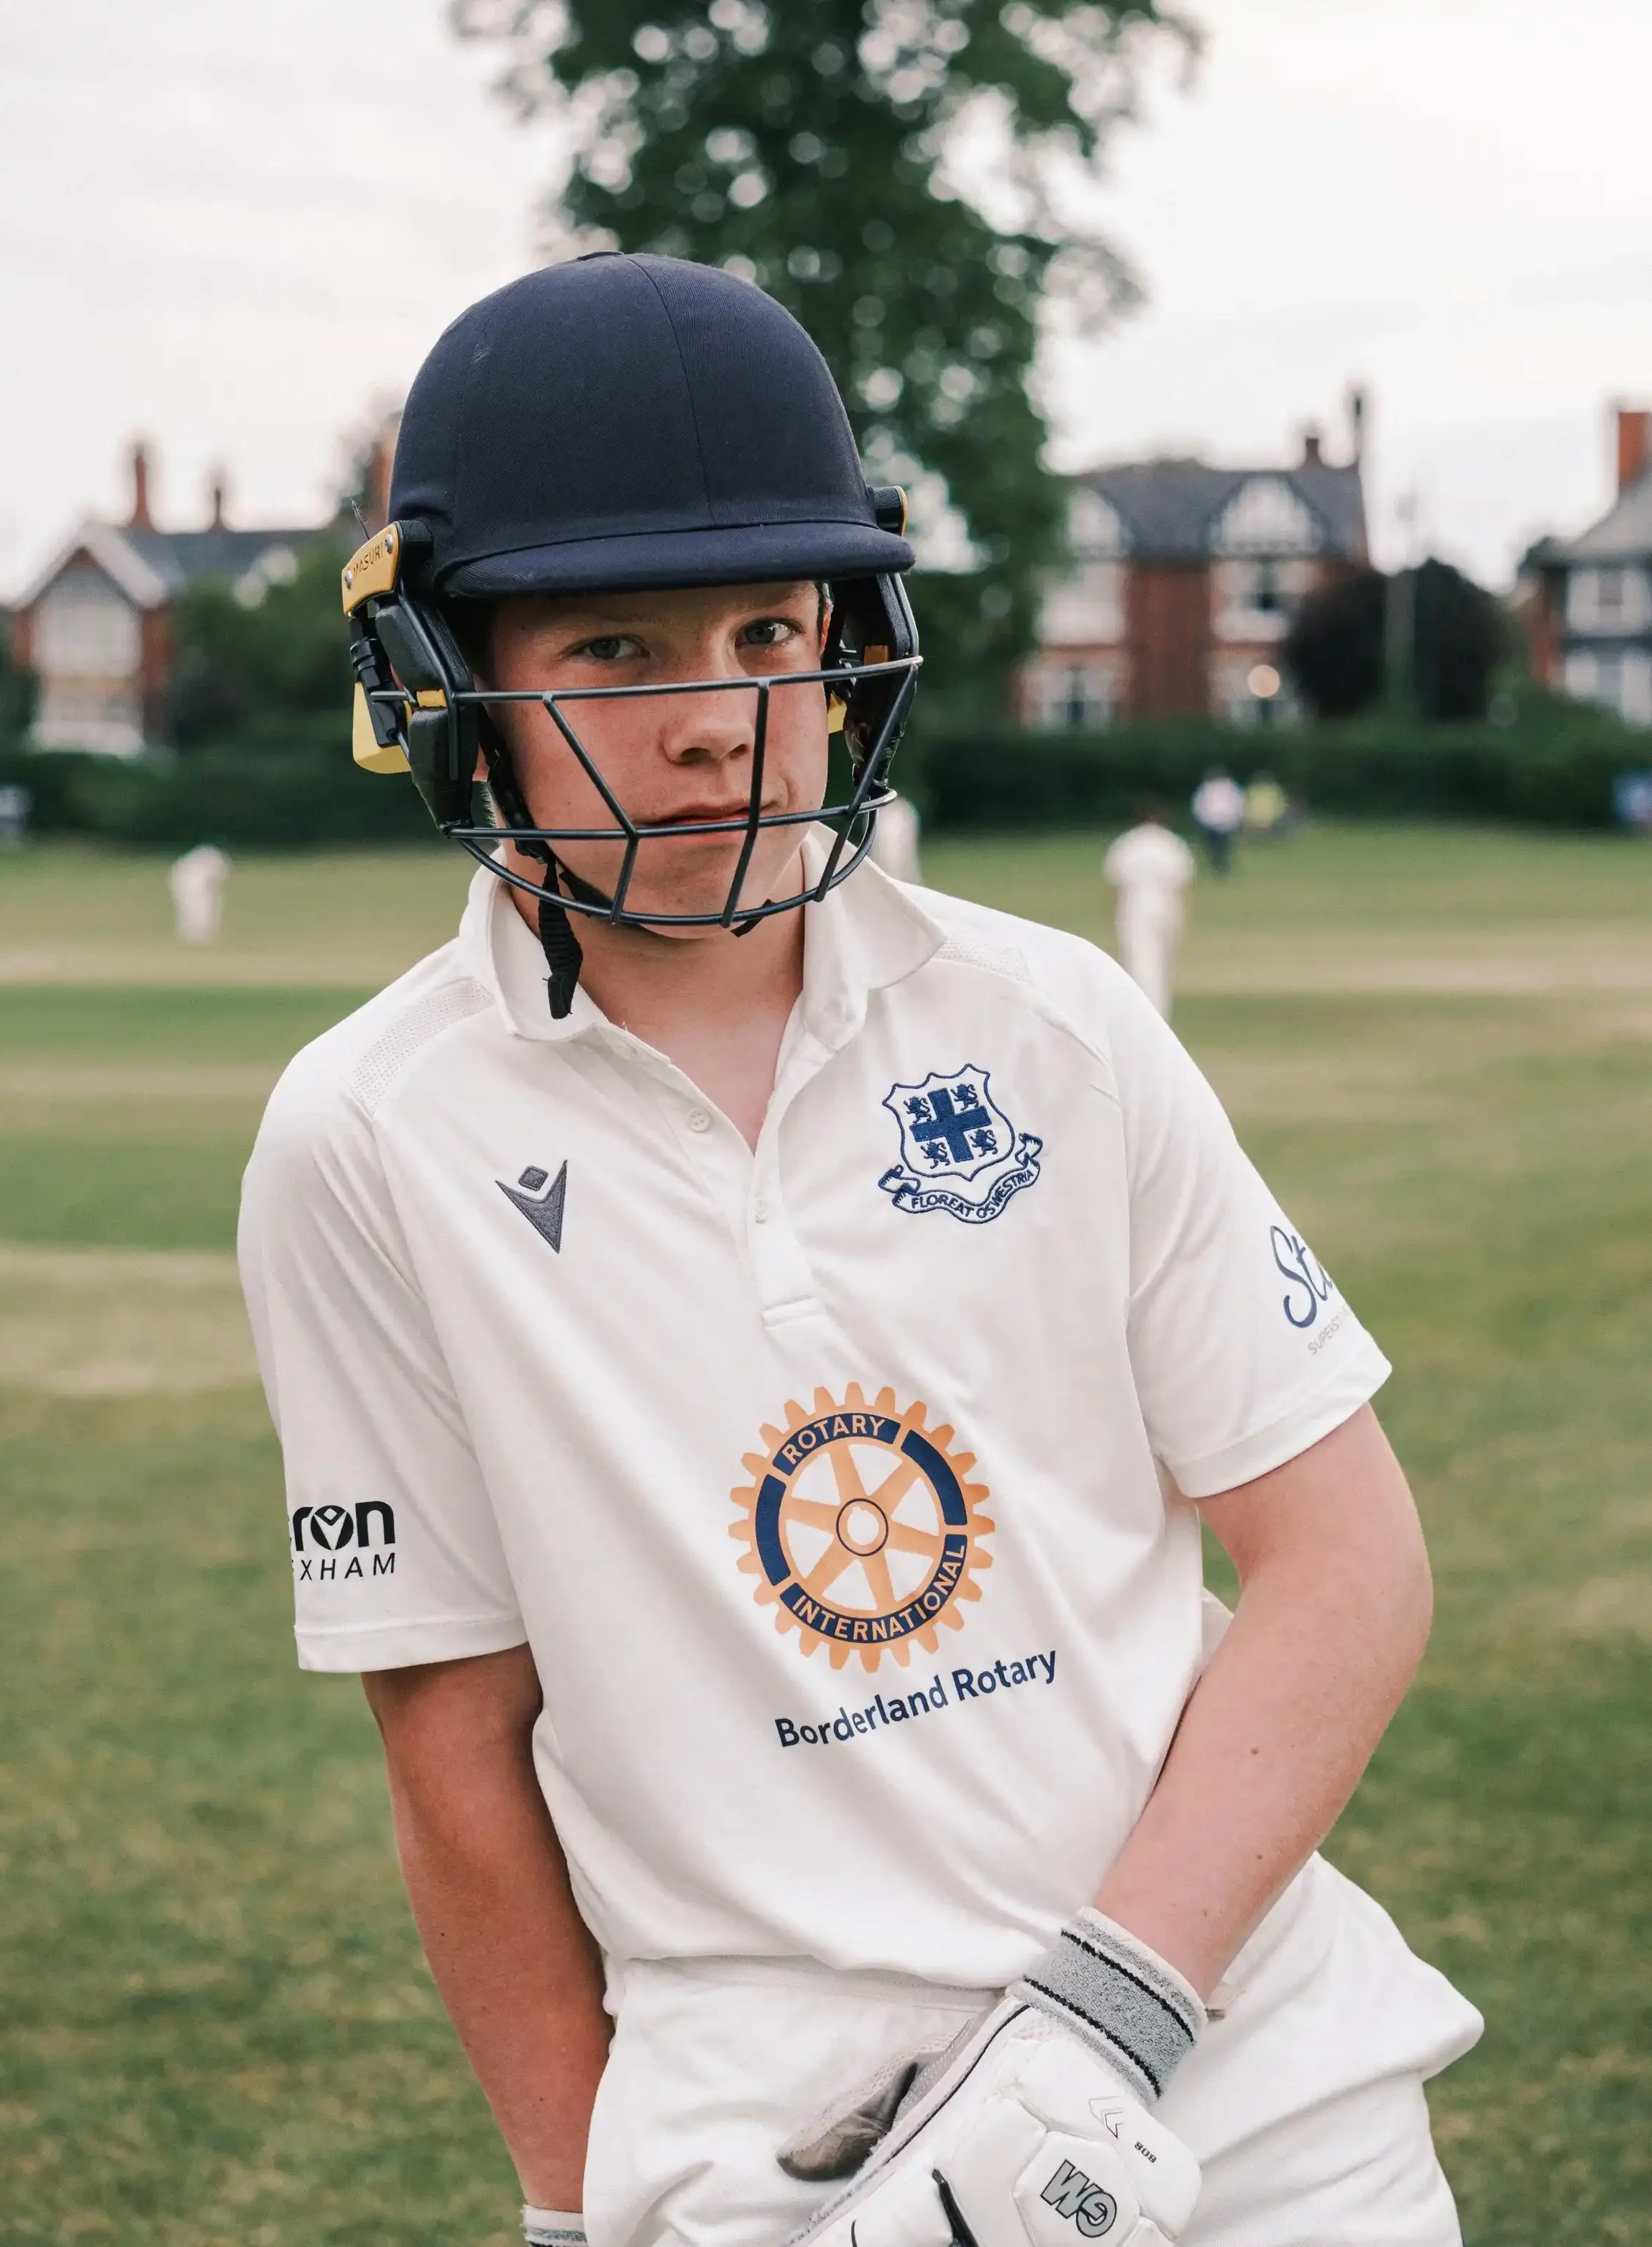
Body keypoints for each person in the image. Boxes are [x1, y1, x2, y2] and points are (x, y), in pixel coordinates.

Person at [239, 255, 1479, 2247]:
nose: (722, 720)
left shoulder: (1055, 1024)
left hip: (1245, 2078)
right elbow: (453, 1745)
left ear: (846, 638)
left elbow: (1347, 1558)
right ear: (448, 684)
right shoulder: (369, 1136)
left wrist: (1093, 2028)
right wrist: (574, 2215)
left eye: (765, 631)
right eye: (621, 652)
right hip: (777, 2143)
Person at [1101, 804, 1194, 1019]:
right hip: (1166, 905)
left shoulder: (1128, 843)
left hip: (1135, 906)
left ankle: (1144, 1012)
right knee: (1163, 961)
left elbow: (1116, 882)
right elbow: (1181, 884)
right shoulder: (1171, 843)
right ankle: (1160, 1011)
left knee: (1139, 960)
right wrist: (1182, 916)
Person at [168, 841, 229, 943]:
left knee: (197, 907)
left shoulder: (200, 857)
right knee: (196, 907)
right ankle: (195, 934)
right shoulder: (212, 858)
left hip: (189, 884)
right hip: (191, 885)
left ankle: (198, 934)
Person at [1189, 769, 1244, 877]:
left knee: (1224, 846)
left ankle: (1223, 866)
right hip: (1212, 823)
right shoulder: (1206, 788)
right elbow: (1200, 805)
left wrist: (1235, 818)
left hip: (1225, 822)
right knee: (1214, 847)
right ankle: (1216, 865)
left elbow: (1237, 803)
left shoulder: (1229, 788)